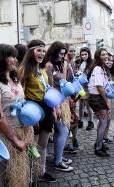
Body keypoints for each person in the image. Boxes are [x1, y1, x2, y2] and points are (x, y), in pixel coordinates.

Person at [0, 44, 35, 186]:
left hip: (24, 131)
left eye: (16, 57)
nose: (16, 60)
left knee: (21, 175)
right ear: (1, 58)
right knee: (3, 175)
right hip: (6, 136)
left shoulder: (15, 78)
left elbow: (21, 101)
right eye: (12, 57)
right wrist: (15, 140)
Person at [18, 39, 57, 183]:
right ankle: (30, 174)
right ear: (30, 52)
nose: (41, 53)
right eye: (38, 50)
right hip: (32, 109)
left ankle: (41, 172)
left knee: (43, 144)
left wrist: (53, 109)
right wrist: (30, 116)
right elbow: (19, 94)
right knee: (32, 145)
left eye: (43, 50)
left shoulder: (42, 70)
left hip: (46, 107)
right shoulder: (24, 69)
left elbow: (47, 89)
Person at [43, 41, 74, 172]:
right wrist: (56, 107)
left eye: (64, 54)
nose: (63, 56)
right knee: (63, 131)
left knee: (60, 131)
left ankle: (58, 157)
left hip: (61, 101)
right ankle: (58, 161)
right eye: (61, 53)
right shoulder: (49, 66)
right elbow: (49, 88)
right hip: (54, 103)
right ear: (55, 52)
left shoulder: (56, 65)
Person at [87, 48, 112, 157]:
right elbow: (99, 87)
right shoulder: (97, 68)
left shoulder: (102, 68)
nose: (106, 56)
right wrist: (107, 101)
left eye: (106, 54)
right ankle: (98, 148)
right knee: (103, 122)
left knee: (104, 121)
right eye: (103, 55)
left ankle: (99, 143)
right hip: (96, 98)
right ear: (98, 56)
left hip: (98, 97)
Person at [78, 47, 94, 131]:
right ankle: (80, 121)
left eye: (85, 54)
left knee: (88, 105)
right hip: (81, 86)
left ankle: (90, 122)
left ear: (88, 54)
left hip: (88, 86)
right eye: (82, 55)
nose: (84, 56)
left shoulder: (92, 63)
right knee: (80, 105)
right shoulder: (81, 63)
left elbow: (91, 75)